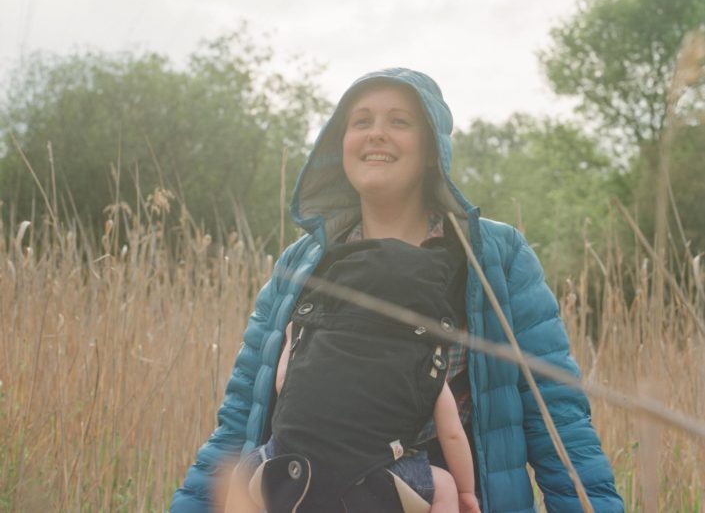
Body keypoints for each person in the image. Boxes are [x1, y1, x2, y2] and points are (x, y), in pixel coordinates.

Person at [171, 67, 624, 513]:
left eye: (399, 121)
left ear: (432, 150)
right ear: (339, 144)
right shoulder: (303, 263)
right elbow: (239, 422)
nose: (376, 134)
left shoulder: (493, 258)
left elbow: (560, 423)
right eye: (361, 121)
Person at [224, 233, 481, 512]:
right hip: (370, 478)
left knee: (241, 476)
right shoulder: (424, 359)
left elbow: (283, 383)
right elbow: (452, 434)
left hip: (287, 466)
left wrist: (291, 337)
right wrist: (466, 491)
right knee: (444, 484)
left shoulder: (319, 340)